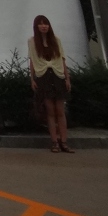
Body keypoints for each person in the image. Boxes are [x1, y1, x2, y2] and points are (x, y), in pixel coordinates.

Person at [28, 14, 72, 153]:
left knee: (60, 110)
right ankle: (54, 142)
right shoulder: (32, 42)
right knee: (50, 111)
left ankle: (64, 141)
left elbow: (62, 60)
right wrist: (32, 79)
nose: (44, 26)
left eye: (45, 23)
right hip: (43, 77)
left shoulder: (56, 40)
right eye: (41, 24)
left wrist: (67, 78)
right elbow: (32, 61)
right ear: (36, 26)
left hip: (57, 76)